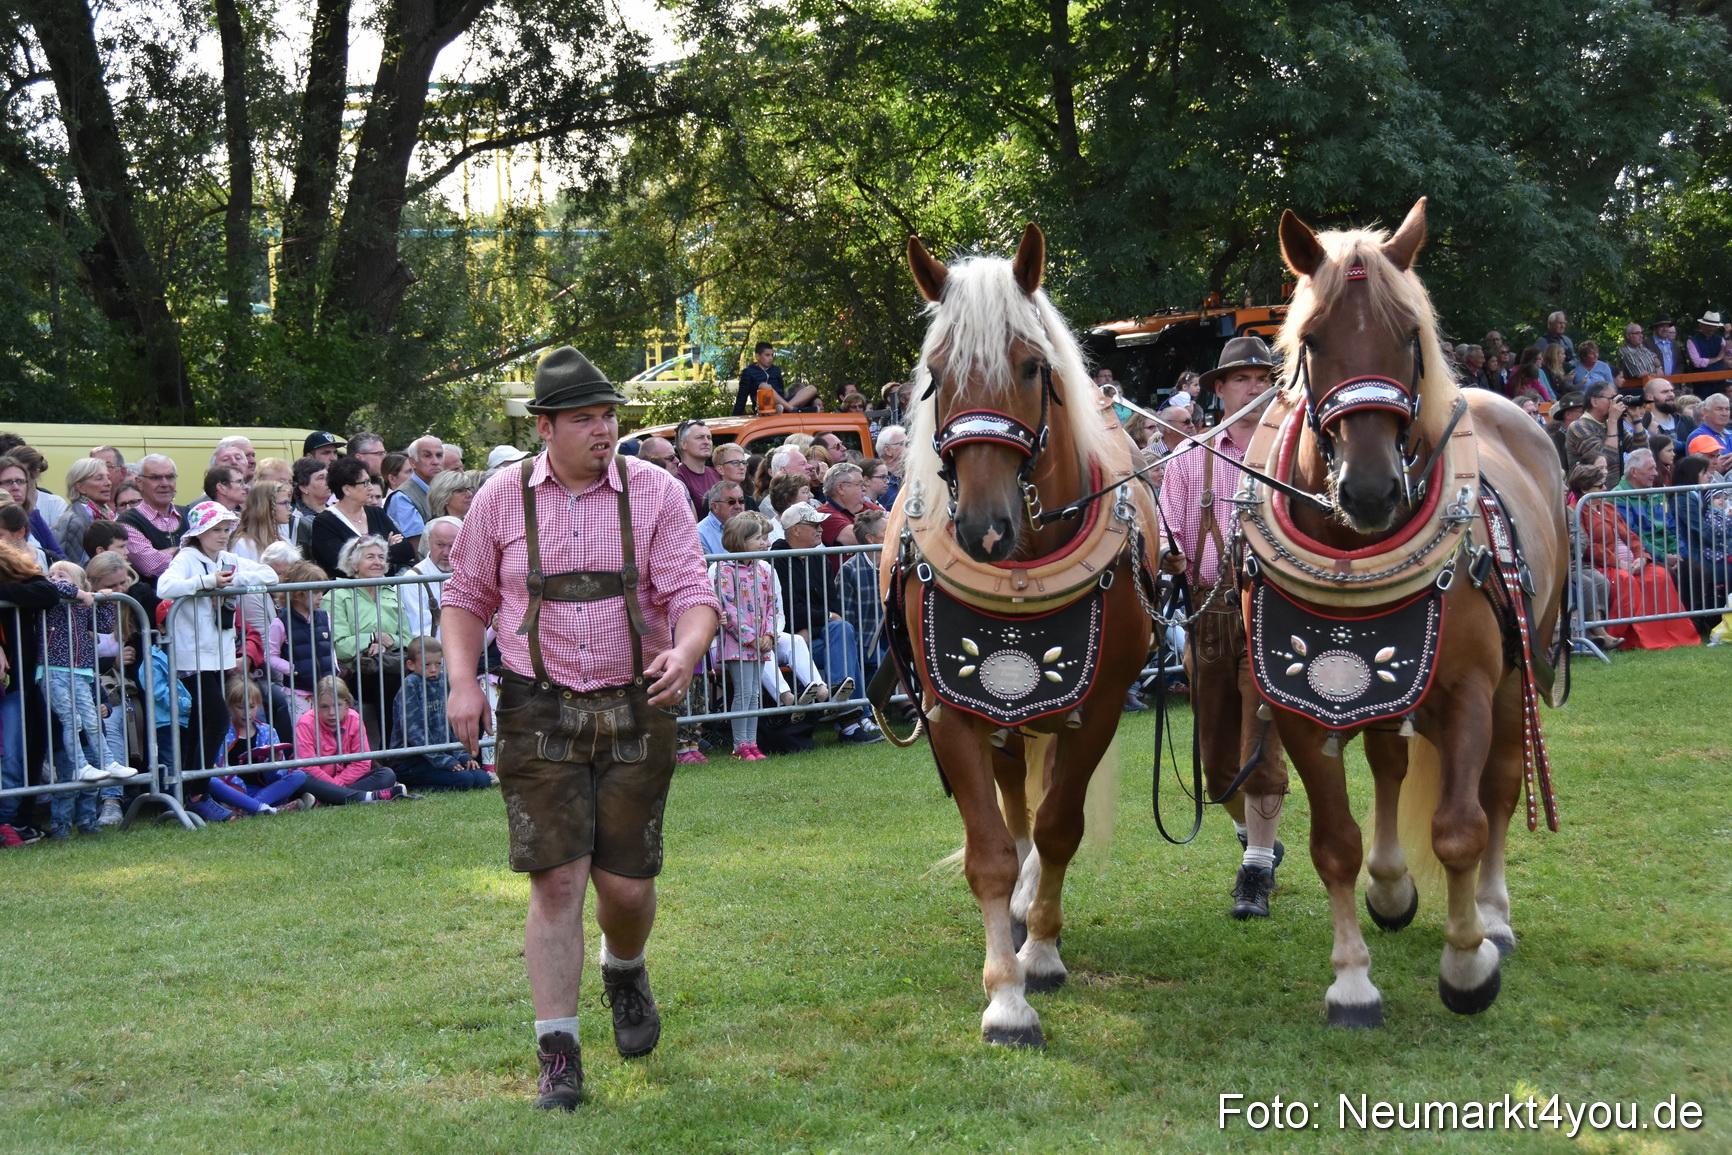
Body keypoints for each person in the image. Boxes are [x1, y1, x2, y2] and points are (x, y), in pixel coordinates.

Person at [440, 345, 721, 1109]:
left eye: (609, 416)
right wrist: (462, 681)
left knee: (625, 886)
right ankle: (558, 1053)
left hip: (638, 702)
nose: (604, 429)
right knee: (558, 878)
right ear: (544, 427)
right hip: (536, 707)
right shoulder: (500, 498)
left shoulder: (656, 490)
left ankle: (623, 968)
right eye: (585, 418)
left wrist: (687, 649)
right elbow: (465, 598)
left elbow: (693, 593)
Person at [1156, 335, 1289, 920]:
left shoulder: (1295, 452)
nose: (1254, 389)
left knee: (1260, 743)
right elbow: (1169, 532)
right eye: (1242, 380)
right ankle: (1255, 839)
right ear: (1220, 390)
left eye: (1263, 379)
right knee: (1217, 767)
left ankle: (1256, 866)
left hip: (1274, 612)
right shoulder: (1191, 457)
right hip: (1209, 616)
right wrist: (1167, 558)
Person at [157, 501, 280, 774]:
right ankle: (199, 785)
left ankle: (193, 786)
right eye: (216, 530)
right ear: (199, 533)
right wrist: (207, 583)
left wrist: (231, 581)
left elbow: (270, 574)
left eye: (226, 529)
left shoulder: (227, 559)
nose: (223, 535)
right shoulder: (186, 558)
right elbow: (164, 587)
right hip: (192, 654)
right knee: (218, 720)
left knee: (202, 721)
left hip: (218, 655)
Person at [769, 502, 875, 741]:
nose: (820, 529)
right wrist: (823, 619)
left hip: (816, 637)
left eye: (820, 525)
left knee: (842, 629)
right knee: (842, 638)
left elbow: (833, 607)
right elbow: (789, 610)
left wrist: (816, 624)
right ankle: (851, 721)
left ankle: (839, 703)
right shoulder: (776, 559)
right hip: (790, 644)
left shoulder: (820, 557)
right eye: (814, 525)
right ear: (795, 530)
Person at [1571, 463, 1699, 650]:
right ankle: (1631, 637)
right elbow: (1589, 547)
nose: (1606, 489)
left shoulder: (1608, 507)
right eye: (1600, 486)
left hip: (1629, 561)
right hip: (1602, 565)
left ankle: (1668, 632)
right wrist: (1619, 563)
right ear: (1584, 489)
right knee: (1625, 581)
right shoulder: (1576, 511)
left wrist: (1642, 557)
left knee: (1659, 575)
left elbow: (1631, 536)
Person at [328, 535, 409, 747]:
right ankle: (392, 750)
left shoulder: (391, 593)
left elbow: (406, 638)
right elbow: (338, 647)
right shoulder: (337, 595)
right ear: (354, 564)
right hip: (355, 671)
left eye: (381, 557)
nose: (377, 562)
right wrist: (371, 638)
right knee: (388, 682)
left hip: (391, 663)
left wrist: (385, 642)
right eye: (370, 557)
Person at [709, 514, 777, 761]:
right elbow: (727, 607)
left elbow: (771, 604)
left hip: (760, 643)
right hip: (737, 644)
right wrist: (749, 637)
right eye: (758, 538)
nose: (764, 543)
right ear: (741, 540)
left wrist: (769, 634)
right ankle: (740, 744)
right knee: (743, 692)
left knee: (755, 693)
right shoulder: (724, 570)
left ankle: (752, 742)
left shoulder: (763, 570)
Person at [390, 637, 493, 790]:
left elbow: (452, 727)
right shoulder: (410, 685)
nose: (433, 669)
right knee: (464, 780)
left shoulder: (445, 681)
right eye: (426, 665)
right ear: (411, 665)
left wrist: (463, 756)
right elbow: (415, 734)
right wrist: (444, 761)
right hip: (413, 760)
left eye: (438, 663)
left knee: (482, 780)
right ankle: (410, 785)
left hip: (443, 754)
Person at [203, 676, 312, 816]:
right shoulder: (221, 732)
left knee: (299, 775)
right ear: (229, 706)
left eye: (252, 707)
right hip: (232, 791)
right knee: (211, 781)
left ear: (258, 706)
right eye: (240, 707)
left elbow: (278, 776)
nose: (247, 712)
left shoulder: (268, 731)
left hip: (263, 790)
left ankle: (248, 808)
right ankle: (267, 808)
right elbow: (213, 768)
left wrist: (275, 762)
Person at [293, 676, 404, 803]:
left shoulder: (354, 719)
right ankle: (367, 797)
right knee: (302, 777)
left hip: (344, 781)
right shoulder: (306, 723)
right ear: (316, 705)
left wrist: (338, 785)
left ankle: (325, 801)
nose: (331, 712)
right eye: (324, 706)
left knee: (386, 774)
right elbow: (307, 767)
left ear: (347, 704)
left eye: (337, 705)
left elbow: (362, 762)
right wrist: (335, 785)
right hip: (317, 782)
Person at [311, 456, 413, 577]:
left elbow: (407, 550)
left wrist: (363, 555)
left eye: (369, 481)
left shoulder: (377, 513)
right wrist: (387, 547)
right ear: (347, 489)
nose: (371, 487)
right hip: (348, 588)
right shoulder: (324, 522)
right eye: (365, 483)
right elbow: (340, 563)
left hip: (385, 587)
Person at [268, 560, 337, 721]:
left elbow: (330, 647)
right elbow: (270, 656)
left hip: (326, 689)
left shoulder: (325, 616)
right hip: (299, 692)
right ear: (298, 594)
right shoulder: (281, 622)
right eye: (315, 592)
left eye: (321, 591)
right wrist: (294, 669)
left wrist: (334, 669)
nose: (321, 597)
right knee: (303, 730)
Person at [118, 453, 185, 595]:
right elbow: (151, 566)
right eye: (155, 478)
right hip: (153, 605)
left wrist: (168, 553)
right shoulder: (128, 521)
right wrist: (192, 554)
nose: (165, 484)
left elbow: (215, 556)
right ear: (139, 483)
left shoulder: (190, 514)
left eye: (170, 477)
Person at [838, 507, 887, 684]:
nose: (893, 534)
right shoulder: (849, 570)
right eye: (886, 531)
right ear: (870, 539)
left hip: (893, 639)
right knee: (888, 664)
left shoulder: (897, 564)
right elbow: (847, 620)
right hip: (864, 642)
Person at [400, 515, 459, 641]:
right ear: (428, 541)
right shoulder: (413, 579)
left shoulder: (469, 574)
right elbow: (420, 633)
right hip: (434, 652)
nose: (446, 552)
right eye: (440, 545)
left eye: (452, 545)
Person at [386, 435, 445, 551]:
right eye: (427, 456)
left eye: (439, 455)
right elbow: (417, 550)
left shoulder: (445, 490)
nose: (435, 462)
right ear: (412, 462)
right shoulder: (402, 497)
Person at [54, 457, 116, 566]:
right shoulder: (74, 522)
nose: (108, 483)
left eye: (108, 477)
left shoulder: (104, 514)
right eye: (99, 478)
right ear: (80, 487)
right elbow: (73, 568)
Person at [1565, 383, 1627, 482]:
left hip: (1616, 489)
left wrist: (1636, 418)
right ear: (1594, 401)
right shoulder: (1579, 426)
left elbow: (1639, 448)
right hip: (1590, 488)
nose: (1615, 403)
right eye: (1612, 398)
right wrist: (1613, 421)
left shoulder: (1611, 423)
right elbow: (1607, 460)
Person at [733, 342, 817, 415]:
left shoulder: (776, 370)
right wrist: (735, 416)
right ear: (757, 356)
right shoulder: (749, 372)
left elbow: (781, 391)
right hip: (763, 405)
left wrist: (783, 403)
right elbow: (742, 397)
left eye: (772, 355)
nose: (771, 358)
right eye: (767, 355)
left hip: (780, 403)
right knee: (764, 386)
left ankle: (784, 409)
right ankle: (791, 409)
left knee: (812, 388)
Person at [670, 420, 720, 514]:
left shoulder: (716, 473)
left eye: (709, 438)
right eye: (699, 438)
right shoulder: (677, 479)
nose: (706, 442)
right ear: (683, 444)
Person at [1684, 394, 1732, 474]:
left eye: (1727, 409)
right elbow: (1714, 467)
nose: (1724, 413)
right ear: (1706, 412)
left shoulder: (1730, 433)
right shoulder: (1698, 436)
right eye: (1719, 409)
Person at [696, 481, 745, 556]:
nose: (738, 506)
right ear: (715, 506)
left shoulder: (750, 526)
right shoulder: (699, 534)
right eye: (731, 502)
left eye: (741, 501)